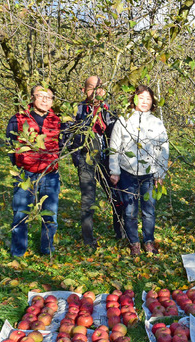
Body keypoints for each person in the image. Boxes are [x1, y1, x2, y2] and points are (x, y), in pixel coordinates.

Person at [109, 85, 169, 255]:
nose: (144, 102)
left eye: (148, 99)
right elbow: (114, 147)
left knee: (149, 210)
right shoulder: (123, 120)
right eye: (141, 98)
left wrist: (160, 172)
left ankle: (148, 241)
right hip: (127, 173)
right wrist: (115, 170)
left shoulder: (157, 123)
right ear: (134, 99)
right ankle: (134, 242)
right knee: (129, 210)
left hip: (149, 174)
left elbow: (163, 148)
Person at [64, 76, 122, 249]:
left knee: (116, 196)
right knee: (88, 200)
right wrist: (77, 158)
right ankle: (88, 240)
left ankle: (121, 233)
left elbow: (116, 133)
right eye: (91, 88)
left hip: (107, 159)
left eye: (99, 88)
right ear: (83, 90)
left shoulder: (108, 110)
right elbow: (67, 134)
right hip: (86, 159)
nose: (95, 91)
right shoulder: (77, 110)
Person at [6, 85, 62, 257]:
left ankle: (47, 250)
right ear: (32, 97)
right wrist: (21, 163)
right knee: (21, 213)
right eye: (41, 96)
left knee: (50, 215)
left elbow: (62, 144)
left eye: (49, 97)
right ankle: (18, 252)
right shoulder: (18, 119)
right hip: (26, 174)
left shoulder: (57, 121)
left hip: (49, 174)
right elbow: (10, 144)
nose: (45, 100)